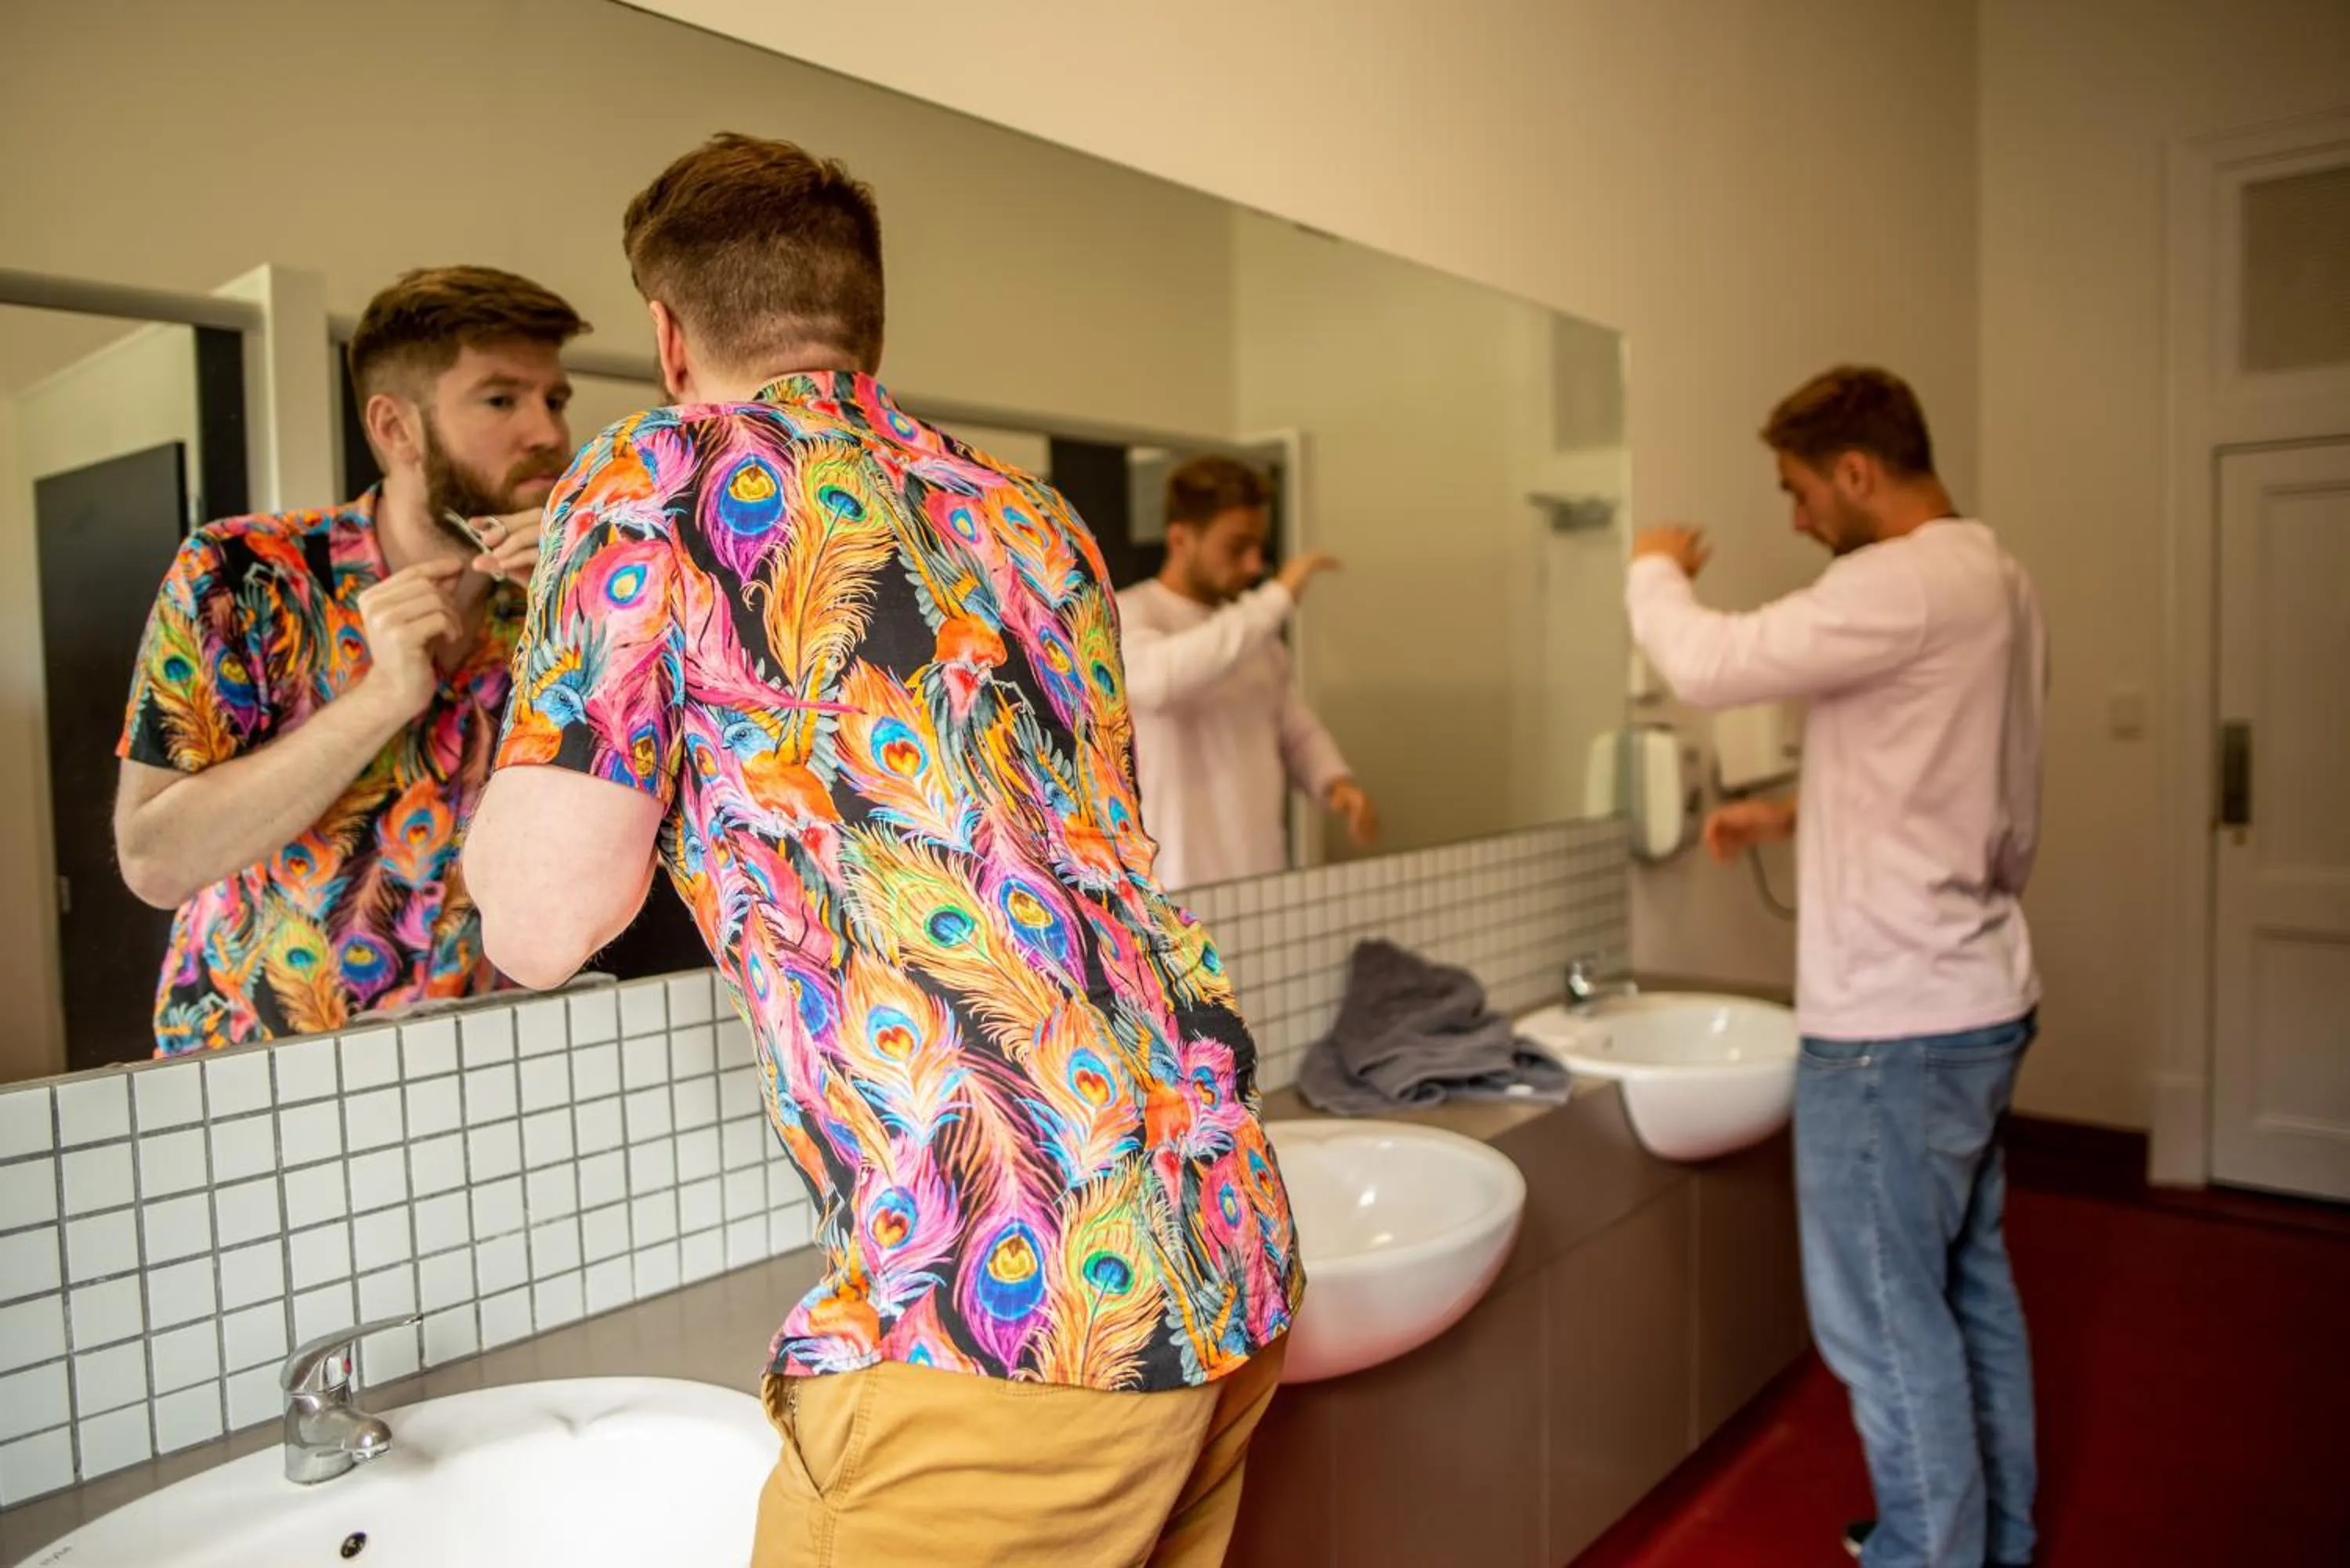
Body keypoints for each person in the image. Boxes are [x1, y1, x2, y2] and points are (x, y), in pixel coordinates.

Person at [461, 133, 1299, 1568]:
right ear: (866, 321)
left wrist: (578, 632)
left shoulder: (648, 482)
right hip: (1220, 1236)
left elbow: (538, 926)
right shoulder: (1037, 522)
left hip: (1005, 1309)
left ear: (670, 337)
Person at [1624, 366, 2048, 1568]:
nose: (1798, 519)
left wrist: (1654, 565)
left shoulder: (1900, 579)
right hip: (1981, 992)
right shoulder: (1998, 579)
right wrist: (1794, 817)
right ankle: (1990, 1535)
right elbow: (1973, 791)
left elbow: (1708, 663)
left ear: (1857, 472)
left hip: (1891, 1026)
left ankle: (1929, 1549)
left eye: (1801, 492)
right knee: (1969, 1288)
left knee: (1878, 1316)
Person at [114, 266, 585, 1055]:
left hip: (484, 1075)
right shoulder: (239, 575)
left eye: (554, 399)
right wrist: (380, 698)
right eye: (502, 399)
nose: (546, 432)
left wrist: (590, 627)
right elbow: (155, 862)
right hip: (247, 1078)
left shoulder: (567, 600)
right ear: (395, 428)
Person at [1118, 455, 1377, 888]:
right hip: (1170, 888)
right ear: (1181, 538)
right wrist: (1278, 598)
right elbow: (1161, 682)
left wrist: (1336, 782)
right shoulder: (1127, 614)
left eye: (1260, 548)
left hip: (1258, 877)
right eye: (1237, 547)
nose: (1255, 565)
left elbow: (1294, 728)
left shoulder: (1253, 637)